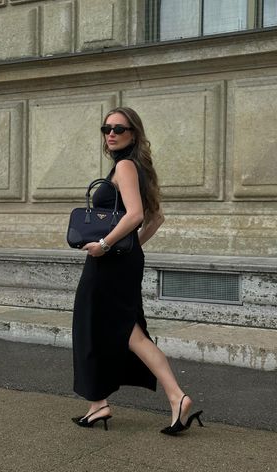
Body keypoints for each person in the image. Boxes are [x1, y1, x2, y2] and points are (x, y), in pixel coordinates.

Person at [71, 107, 203, 435]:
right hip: (120, 260)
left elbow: (135, 215)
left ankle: (175, 396)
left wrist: (106, 244)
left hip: (109, 262)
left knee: (116, 330)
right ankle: (99, 405)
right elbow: (155, 218)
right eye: (106, 128)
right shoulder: (138, 169)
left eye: (120, 128)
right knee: (119, 329)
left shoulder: (126, 166)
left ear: (134, 134)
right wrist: (131, 247)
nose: (111, 133)